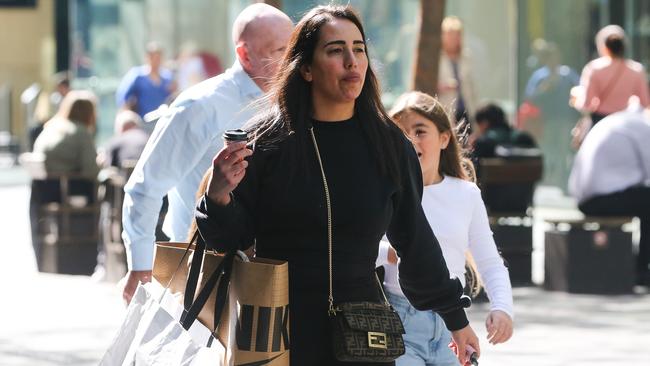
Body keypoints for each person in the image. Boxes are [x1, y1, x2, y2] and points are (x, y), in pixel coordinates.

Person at [196, 5, 480, 365]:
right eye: (336, 50)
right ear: (307, 69)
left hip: (362, 333)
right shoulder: (268, 143)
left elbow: (415, 241)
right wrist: (218, 195)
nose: (352, 61)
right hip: (278, 330)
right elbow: (230, 242)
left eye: (359, 49)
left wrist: (455, 318)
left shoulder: (390, 146)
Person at [120, 3, 293, 304]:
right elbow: (147, 186)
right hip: (202, 274)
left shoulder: (290, 103)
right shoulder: (201, 106)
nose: (289, 60)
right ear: (244, 54)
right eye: (279, 50)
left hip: (271, 276)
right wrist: (141, 264)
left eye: (291, 49)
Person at [376, 92, 513, 366]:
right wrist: (386, 252)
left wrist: (503, 308)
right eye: (402, 132)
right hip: (400, 324)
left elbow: (489, 261)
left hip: (453, 327)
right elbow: (355, 248)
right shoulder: (383, 191)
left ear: (444, 138)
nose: (411, 140)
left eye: (420, 130)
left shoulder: (466, 194)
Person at [569, 101, 650, 287]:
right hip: (599, 198)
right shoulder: (643, 126)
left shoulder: (622, 120)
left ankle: (641, 266)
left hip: (585, 196)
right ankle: (642, 269)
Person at [524, 41, 580, 191]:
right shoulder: (540, 76)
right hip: (545, 120)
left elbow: (579, 92)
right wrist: (545, 88)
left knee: (563, 149)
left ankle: (562, 179)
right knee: (547, 149)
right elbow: (529, 96)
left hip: (565, 119)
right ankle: (547, 177)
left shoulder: (568, 74)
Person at [573, 25, 650, 126]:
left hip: (600, 122)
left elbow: (586, 104)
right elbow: (645, 103)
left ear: (603, 47)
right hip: (625, 122)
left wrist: (576, 100)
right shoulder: (636, 70)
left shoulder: (594, 68)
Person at [33, 90, 100, 180]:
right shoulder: (80, 132)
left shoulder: (52, 126)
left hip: (42, 187)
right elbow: (91, 171)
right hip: (66, 187)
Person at [115, 41, 175, 133]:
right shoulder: (137, 76)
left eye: (158, 58)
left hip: (162, 123)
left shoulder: (167, 78)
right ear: (147, 58)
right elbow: (124, 100)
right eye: (153, 57)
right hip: (142, 124)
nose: (156, 61)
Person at [437, 16, 478, 127]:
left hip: (465, 111)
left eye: (456, 35)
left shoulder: (466, 57)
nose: (453, 39)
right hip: (445, 110)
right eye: (450, 35)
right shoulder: (436, 59)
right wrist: (443, 87)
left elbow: (472, 88)